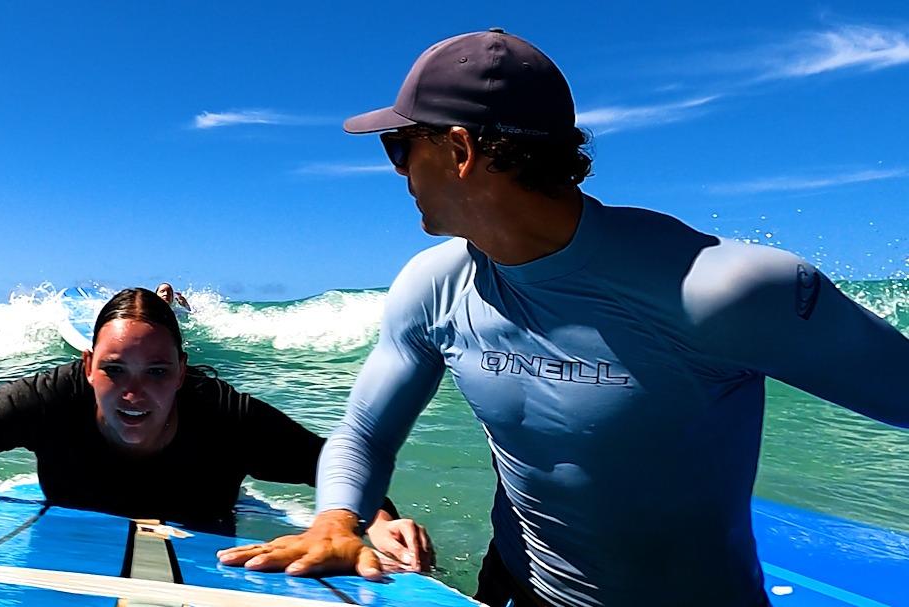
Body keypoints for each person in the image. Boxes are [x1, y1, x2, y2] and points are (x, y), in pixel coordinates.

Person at [216, 29, 909, 606]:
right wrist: (338, 519)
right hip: (517, 589)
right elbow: (365, 432)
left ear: (458, 151)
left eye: (400, 147)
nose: (398, 172)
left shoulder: (719, 290)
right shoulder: (435, 285)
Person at [0, 288, 432, 571]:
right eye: (114, 370)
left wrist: (377, 518)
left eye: (157, 372)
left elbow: (329, 462)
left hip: (209, 540)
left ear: (182, 372)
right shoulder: (52, 399)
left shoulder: (222, 415)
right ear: (88, 366)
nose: (134, 393)